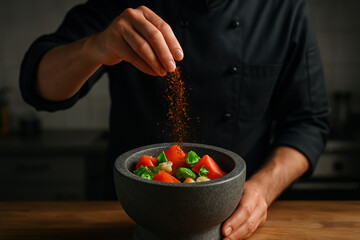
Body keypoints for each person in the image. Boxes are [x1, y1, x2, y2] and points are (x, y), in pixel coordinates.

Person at [20, 0, 330, 239]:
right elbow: (39, 85)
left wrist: (263, 188)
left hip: (234, 220)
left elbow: (309, 123)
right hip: (128, 217)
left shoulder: (283, 8)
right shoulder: (121, 4)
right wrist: (94, 46)